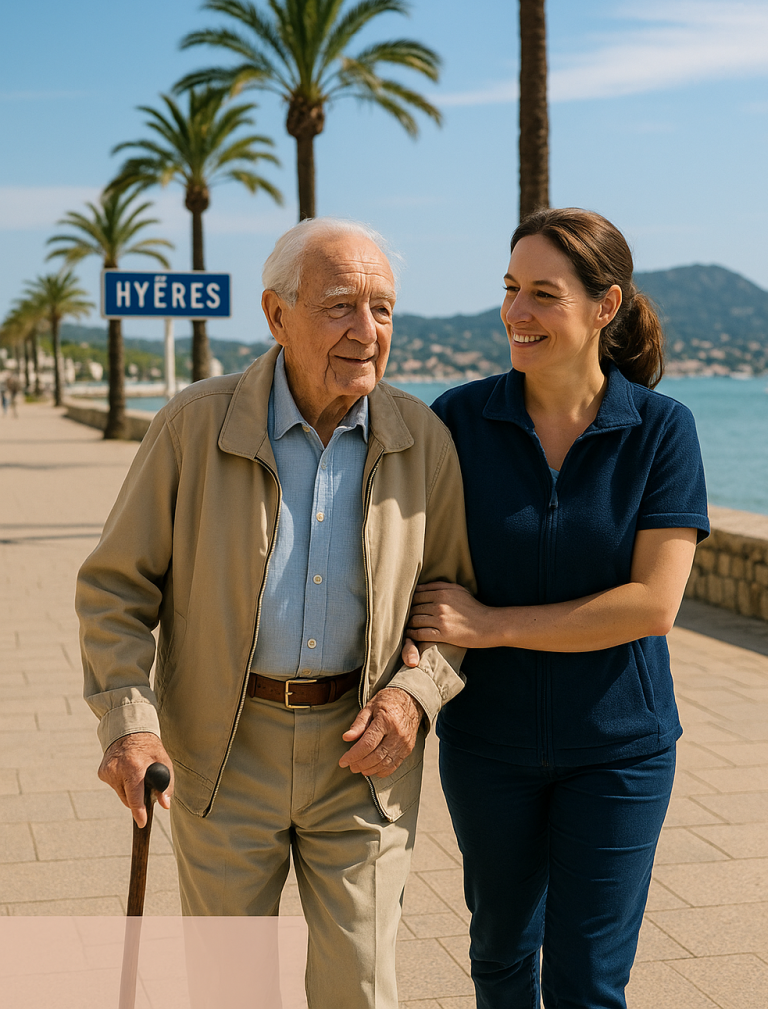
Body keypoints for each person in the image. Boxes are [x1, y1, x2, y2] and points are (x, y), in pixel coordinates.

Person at [76, 218, 474, 1009]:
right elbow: (116, 589)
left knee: (361, 987)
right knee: (231, 988)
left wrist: (414, 697)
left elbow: (452, 609)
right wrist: (130, 721)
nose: (369, 332)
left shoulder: (423, 440)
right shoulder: (193, 425)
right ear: (276, 314)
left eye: (384, 309)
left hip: (364, 755)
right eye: (340, 308)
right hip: (224, 752)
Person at [406, 208, 709, 1009]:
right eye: (510, 290)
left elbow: (652, 604)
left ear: (604, 307)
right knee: (501, 952)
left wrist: (490, 624)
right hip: (489, 745)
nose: (517, 313)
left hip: (619, 750)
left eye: (543, 293)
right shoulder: (459, 420)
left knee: (588, 978)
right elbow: (415, 566)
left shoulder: (660, 431)